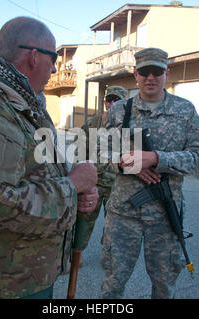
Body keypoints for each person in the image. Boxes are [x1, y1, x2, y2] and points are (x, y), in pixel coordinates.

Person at [0, 16, 98, 299]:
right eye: (53, 59)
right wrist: (72, 186)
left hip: (25, 272)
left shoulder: (21, 102)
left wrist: (75, 187)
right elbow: (3, 203)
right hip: (3, 281)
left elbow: (35, 170)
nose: (54, 69)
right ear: (34, 57)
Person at [99, 48, 199, 299]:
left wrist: (156, 158)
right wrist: (129, 164)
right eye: (144, 72)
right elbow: (98, 152)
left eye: (157, 71)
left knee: (164, 287)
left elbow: (198, 157)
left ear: (166, 74)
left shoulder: (185, 111)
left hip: (164, 218)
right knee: (112, 286)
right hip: (122, 215)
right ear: (135, 74)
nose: (150, 77)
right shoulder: (119, 111)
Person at [81, 86, 127, 268]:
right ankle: (75, 254)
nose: (113, 103)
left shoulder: (128, 125)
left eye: (117, 100)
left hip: (117, 184)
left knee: (113, 224)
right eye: (110, 99)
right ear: (106, 102)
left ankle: (109, 255)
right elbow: (80, 150)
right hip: (94, 183)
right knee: (84, 221)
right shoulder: (93, 124)